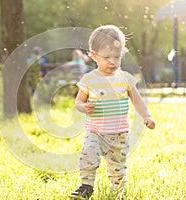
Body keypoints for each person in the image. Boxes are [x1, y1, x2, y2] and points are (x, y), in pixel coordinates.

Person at [69, 25, 155, 199]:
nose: (113, 62)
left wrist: (146, 115)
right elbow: (79, 101)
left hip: (119, 134)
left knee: (118, 166)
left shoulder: (125, 79)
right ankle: (86, 186)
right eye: (107, 57)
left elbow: (137, 99)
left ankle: (117, 191)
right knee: (88, 155)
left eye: (117, 57)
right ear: (94, 55)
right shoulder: (89, 79)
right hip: (95, 132)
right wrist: (83, 107)